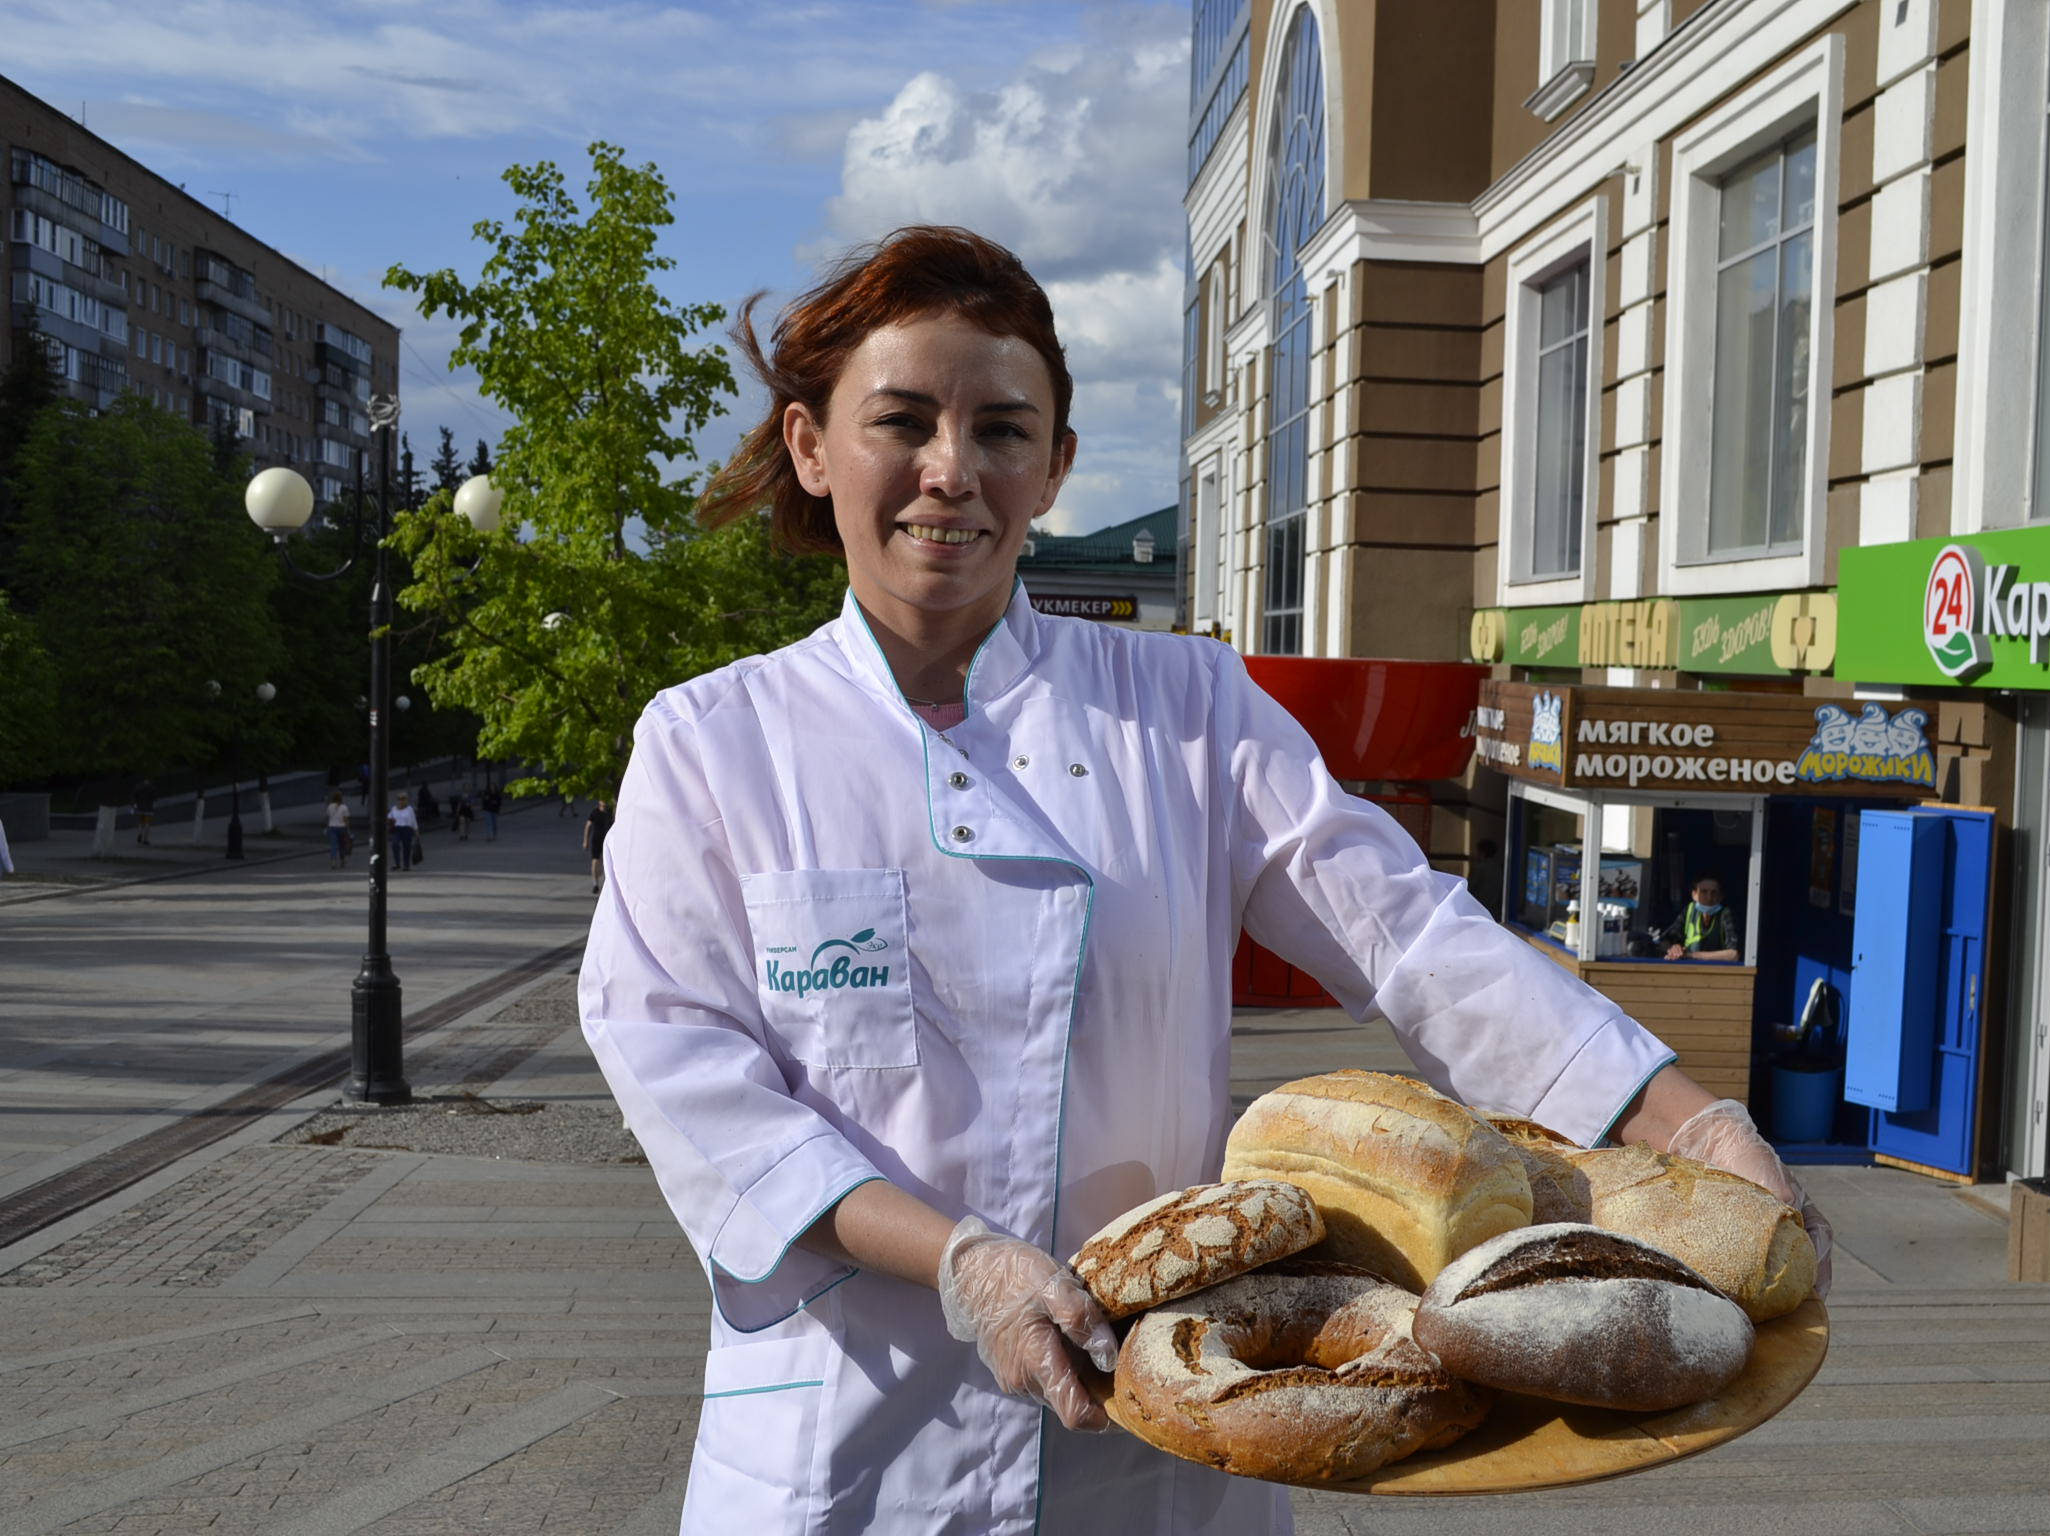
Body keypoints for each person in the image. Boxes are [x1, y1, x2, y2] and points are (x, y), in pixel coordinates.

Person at [579, 226, 1830, 1536]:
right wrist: (959, 1259)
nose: (952, 471)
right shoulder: (714, 744)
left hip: (1163, 1442)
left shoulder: (1184, 709)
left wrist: (1684, 1122)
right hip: (855, 1445)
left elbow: (1408, 937)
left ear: (1055, 467)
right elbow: (680, 1067)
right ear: (810, 447)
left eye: (1004, 431)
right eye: (903, 421)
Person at [1664, 874, 1743, 962]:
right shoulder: (1689, 910)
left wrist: (1691, 955)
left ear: (1721, 897)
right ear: (1694, 895)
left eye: (1714, 892)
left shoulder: (1726, 914)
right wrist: (1674, 948)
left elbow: (1734, 954)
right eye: (1704, 892)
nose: (1709, 898)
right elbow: (1667, 941)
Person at [582, 797, 613, 896]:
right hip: (596, 840)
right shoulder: (594, 813)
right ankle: (595, 883)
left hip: (608, 841)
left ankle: (607, 883)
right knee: (595, 861)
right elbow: (588, 826)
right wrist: (585, 840)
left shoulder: (610, 813)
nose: (604, 802)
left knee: (607, 862)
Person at [386, 791, 419, 871]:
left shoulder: (409, 809)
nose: (401, 800)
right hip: (397, 829)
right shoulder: (394, 809)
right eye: (399, 799)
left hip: (407, 829)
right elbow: (388, 818)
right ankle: (397, 863)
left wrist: (417, 833)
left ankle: (406, 865)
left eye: (403, 798)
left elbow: (414, 822)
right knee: (395, 844)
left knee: (406, 847)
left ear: (406, 800)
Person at [324, 789, 352, 870]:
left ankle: (333, 861)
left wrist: (327, 827)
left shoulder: (330, 806)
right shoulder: (344, 807)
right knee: (342, 845)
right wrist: (348, 829)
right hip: (341, 827)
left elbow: (328, 817)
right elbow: (346, 819)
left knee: (333, 845)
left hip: (332, 827)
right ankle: (342, 860)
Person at [133, 779, 157, 846]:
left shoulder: (138, 787)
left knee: (140, 823)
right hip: (149, 808)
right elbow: (155, 797)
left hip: (140, 808)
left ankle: (140, 833)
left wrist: (135, 804)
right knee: (147, 824)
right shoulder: (151, 788)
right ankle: (145, 840)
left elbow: (134, 796)